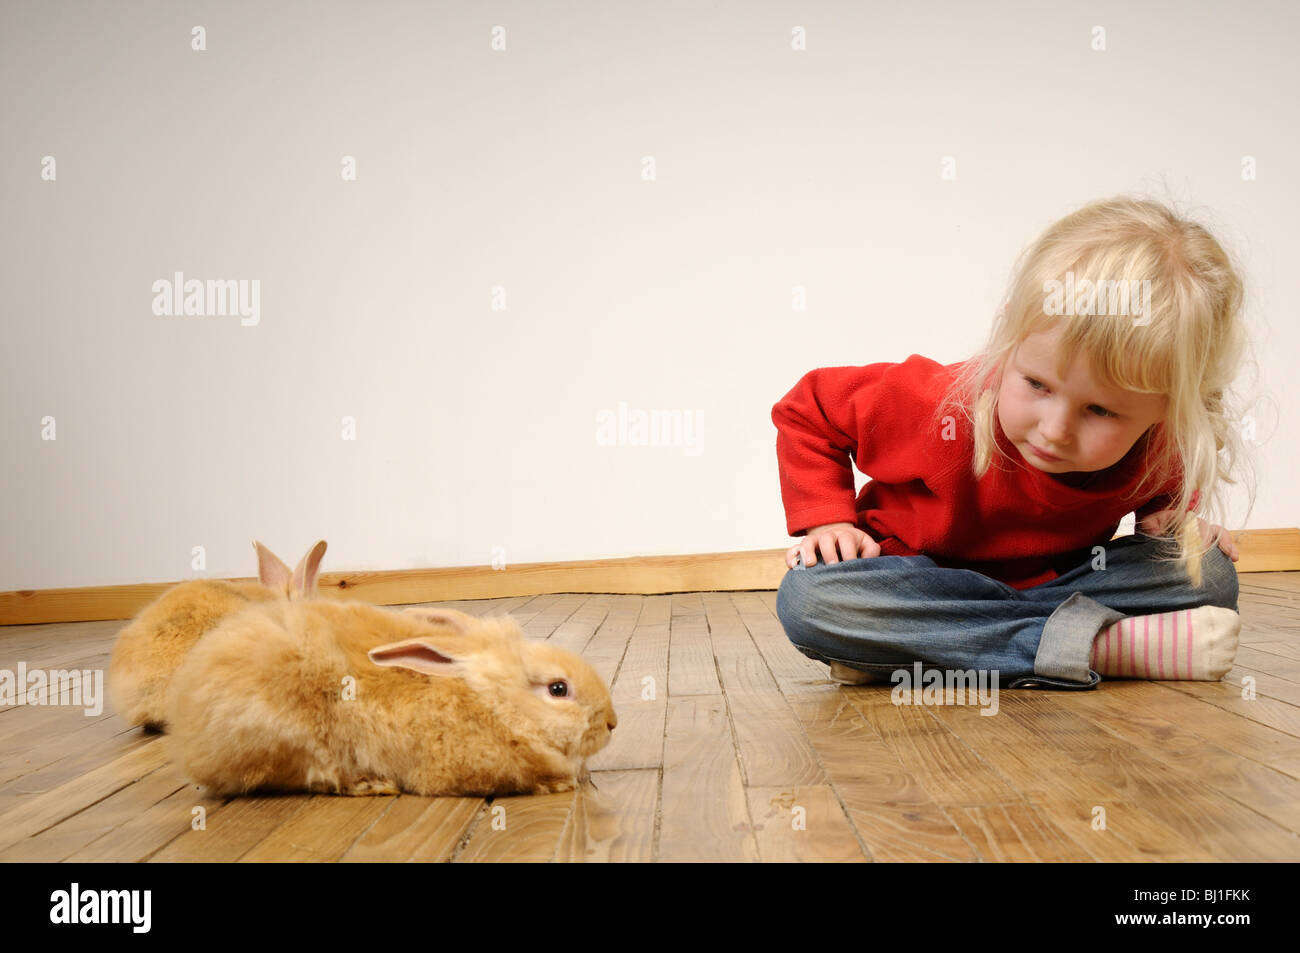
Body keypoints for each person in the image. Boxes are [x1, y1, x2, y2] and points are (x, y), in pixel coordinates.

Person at [772, 196, 1253, 689]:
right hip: (917, 578)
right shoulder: (937, 404)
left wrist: (1168, 514)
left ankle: (918, 647)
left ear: (1169, 409)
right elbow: (811, 410)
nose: (1055, 429)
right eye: (1038, 385)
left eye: (1100, 411)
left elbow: (1168, 475)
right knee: (811, 599)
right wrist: (829, 521)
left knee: (1209, 574)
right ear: (1010, 335)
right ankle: (1099, 646)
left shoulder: (1161, 438)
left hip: (1062, 584)